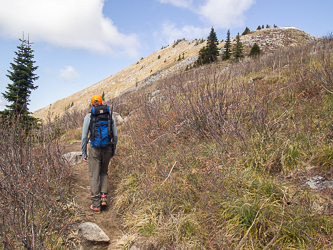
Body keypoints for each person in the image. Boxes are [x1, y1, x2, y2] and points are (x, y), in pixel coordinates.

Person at [81, 94, 118, 214]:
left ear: (92, 104)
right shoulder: (109, 114)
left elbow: (84, 137)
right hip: (107, 148)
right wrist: (113, 150)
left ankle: (96, 205)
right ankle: (103, 197)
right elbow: (115, 135)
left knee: (93, 175)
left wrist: (84, 153)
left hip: (94, 149)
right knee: (104, 172)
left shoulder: (89, 116)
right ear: (102, 103)